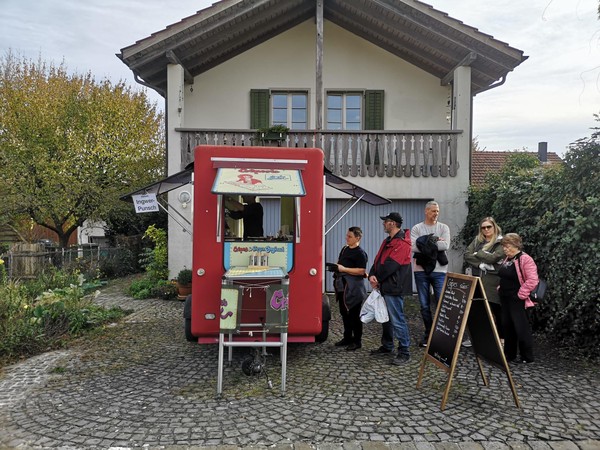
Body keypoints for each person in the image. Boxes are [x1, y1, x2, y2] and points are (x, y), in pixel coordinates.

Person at [368, 212, 412, 365]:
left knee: (397, 319)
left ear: (392, 223)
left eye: (385, 221)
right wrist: (371, 274)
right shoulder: (387, 241)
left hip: (394, 287)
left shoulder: (402, 243)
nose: (383, 224)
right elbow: (377, 260)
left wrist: (377, 279)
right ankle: (387, 346)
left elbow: (391, 266)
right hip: (385, 285)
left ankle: (404, 352)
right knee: (385, 317)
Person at [411, 201, 450, 348]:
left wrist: (424, 242)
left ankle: (440, 333)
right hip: (421, 270)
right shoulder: (417, 228)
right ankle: (428, 333)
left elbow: (445, 245)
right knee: (424, 305)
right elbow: (413, 247)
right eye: (433, 211)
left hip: (439, 271)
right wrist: (435, 241)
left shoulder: (443, 227)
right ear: (426, 211)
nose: (436, 213)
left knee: (441, 303)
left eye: (437, 211)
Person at [497, 233, 538, 364]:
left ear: (516, 245)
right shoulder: (507, 259)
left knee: (521, 327)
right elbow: (505, 276)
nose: (505, 249)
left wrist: (521, 294)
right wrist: (500, 287)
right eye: (504, 246)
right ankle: (510, 355)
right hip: (505, 297)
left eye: (507, 246)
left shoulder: (525, 259)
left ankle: (527, 357)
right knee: (507, 326)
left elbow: (533, 280)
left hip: (517, 299)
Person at [463, 217, 505, 342]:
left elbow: (494, 258)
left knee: (496, 309)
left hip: (493, 282)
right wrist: (480, 264)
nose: (486, 229)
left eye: (488, 227)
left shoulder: (500, 242)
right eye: (483, 227)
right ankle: (477, 339)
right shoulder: (477, 240)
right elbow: (467, 254)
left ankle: (501, 339)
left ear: (494, 227)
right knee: (477, 310)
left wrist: (479, 253)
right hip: (477, 279)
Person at [332, 227, 368, 351]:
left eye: (350, 236)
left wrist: (344, 269)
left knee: (354, 315)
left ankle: (357, 341)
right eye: (347, 235)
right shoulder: (345, 249)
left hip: (354, 288)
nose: (346, 238)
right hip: (342, 286)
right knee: (344, 313)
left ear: (357, 238)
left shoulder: (360, 253)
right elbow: (339, 264)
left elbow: (361, 271)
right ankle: (347, 338)